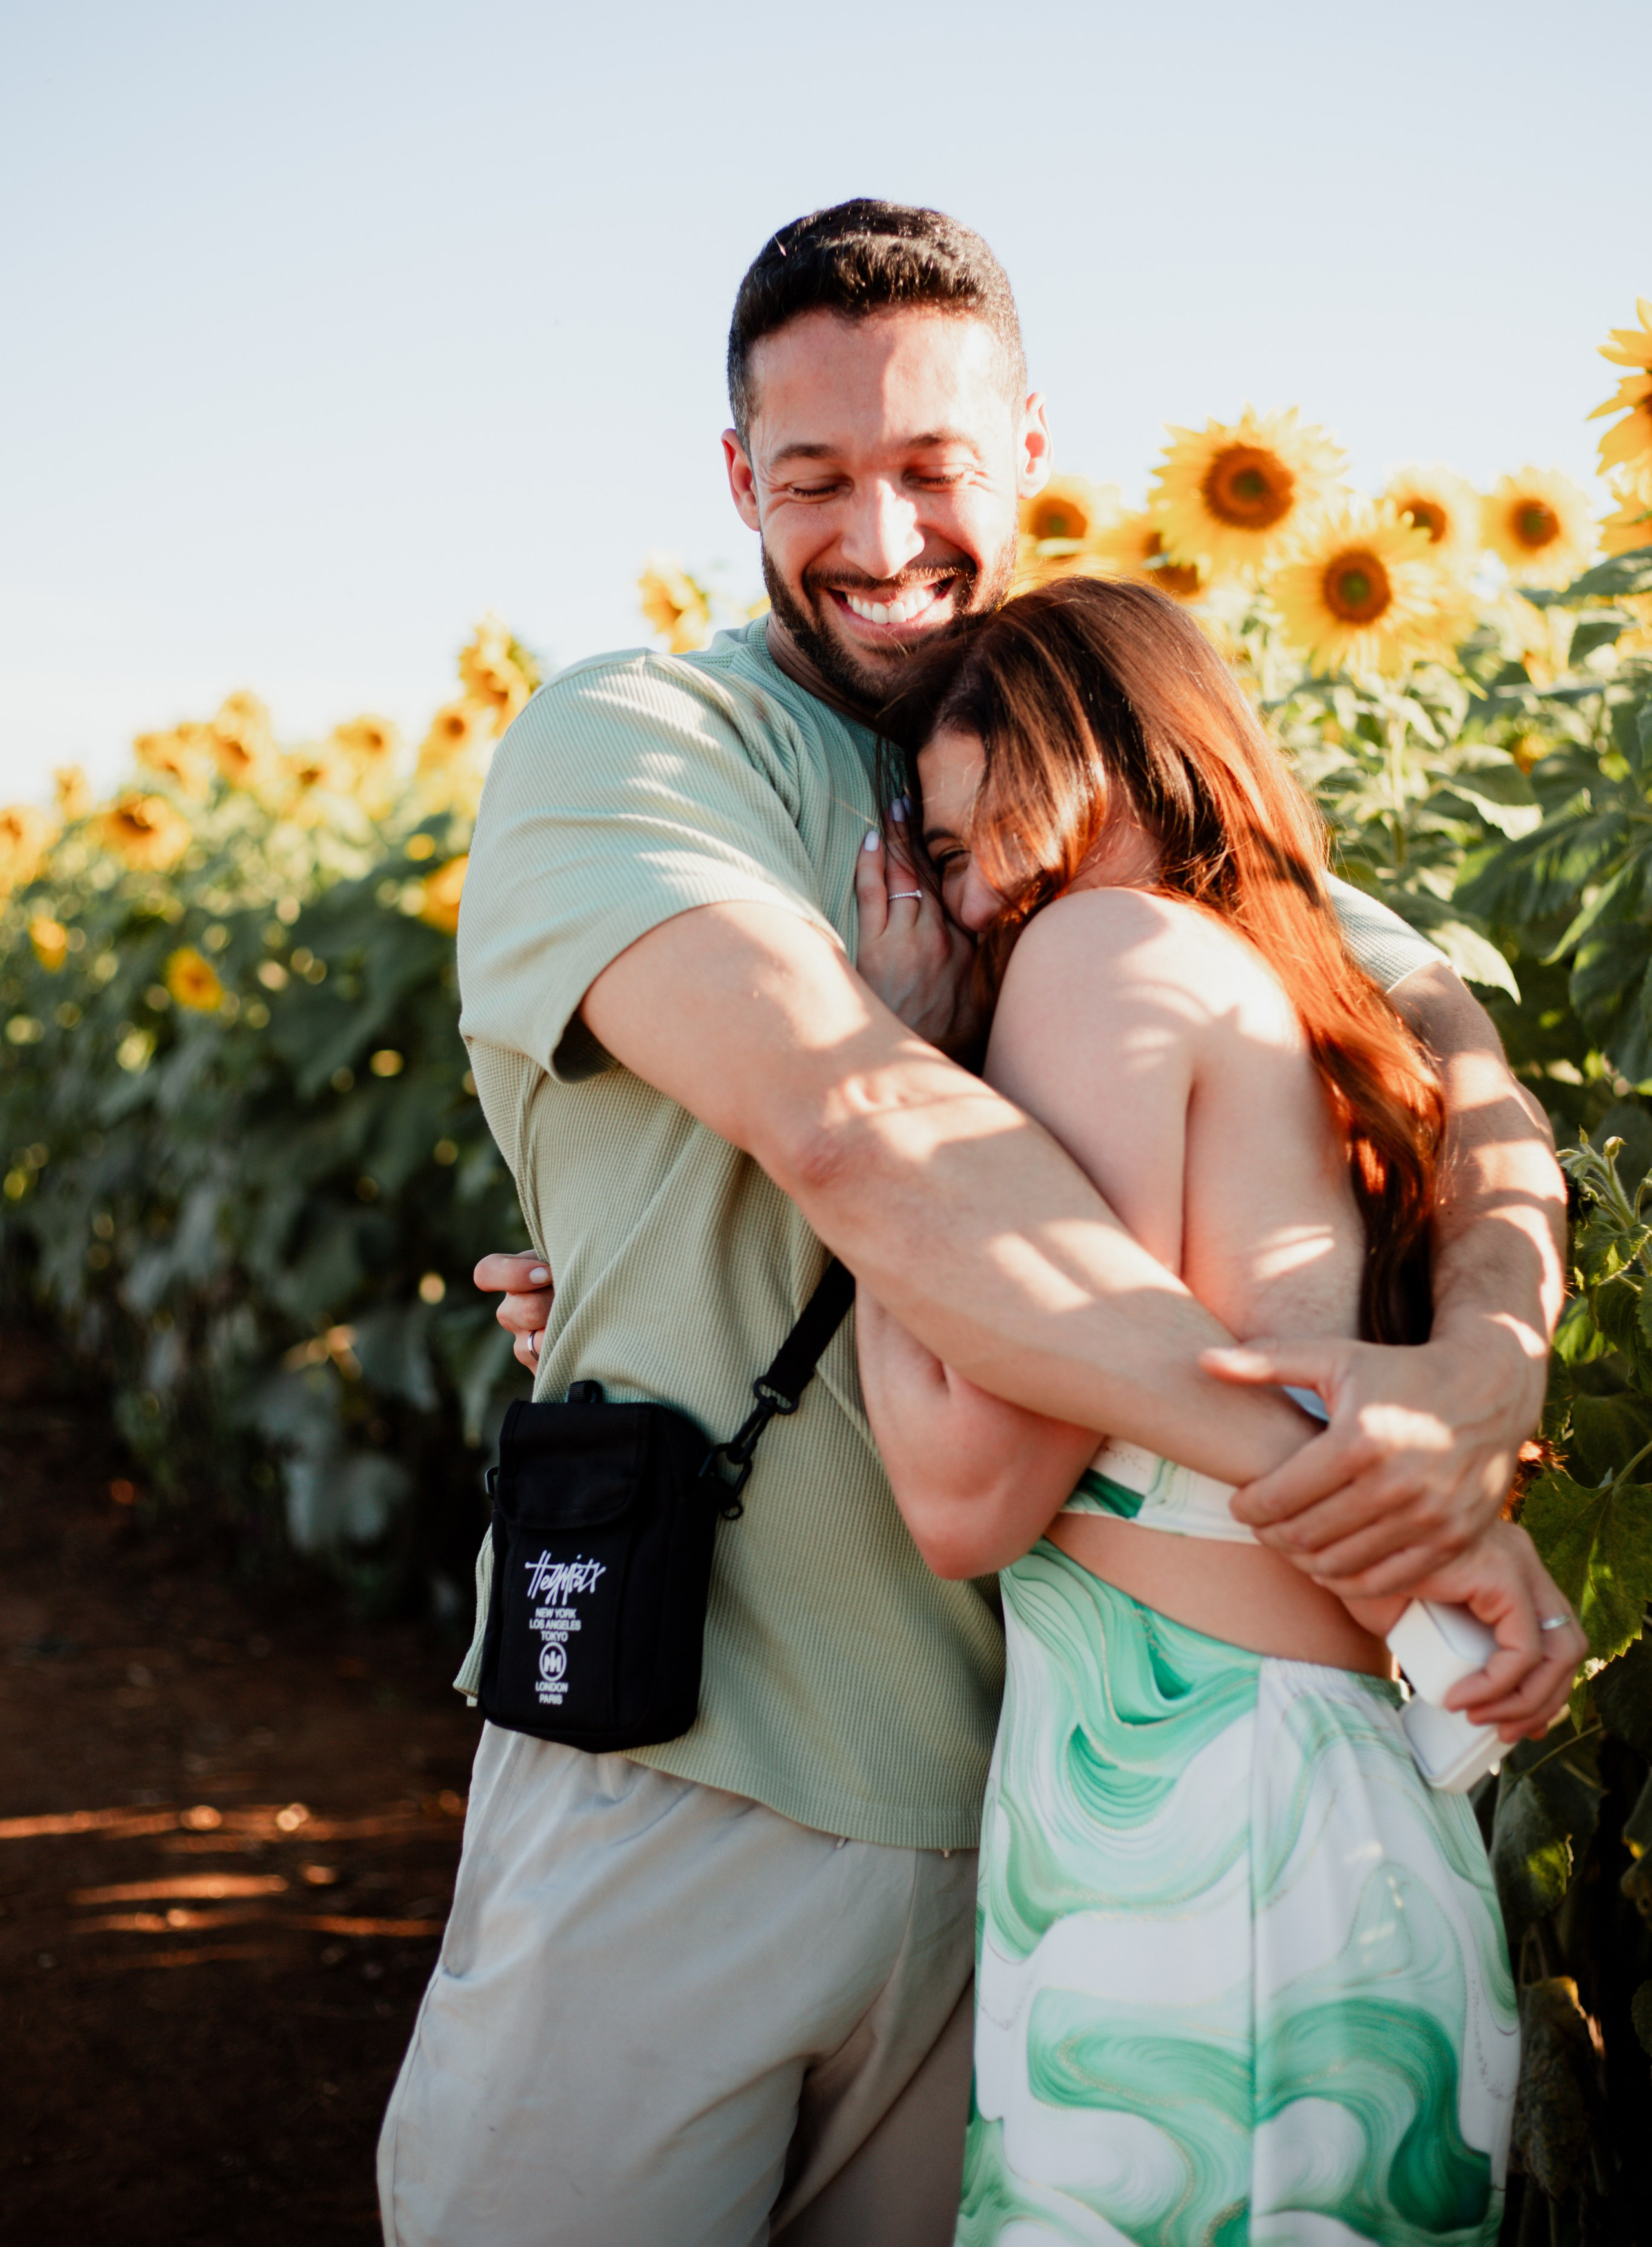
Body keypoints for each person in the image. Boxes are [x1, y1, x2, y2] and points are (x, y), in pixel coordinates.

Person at [380, 201, 1572, 2247]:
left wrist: (1477, 1379)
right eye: (817, 475)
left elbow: (1470, 1094)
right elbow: (857, 1135)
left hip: (1055, 1807)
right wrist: (1362, 1492)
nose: (880, 531)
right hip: (704, 1759)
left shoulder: (1099, 792)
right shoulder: (644, 746)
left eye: (932, 466)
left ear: (1028, 451)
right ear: (738, 481)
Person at [852, 578, 1578, 2242]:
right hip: (1311, 1814)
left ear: (1093, 768)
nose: (956, 905)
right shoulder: (1291, 979)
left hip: (1190, 1828)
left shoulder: (1099, 953)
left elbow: (966, 1489)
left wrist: (895, 1091)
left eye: (964, 848)